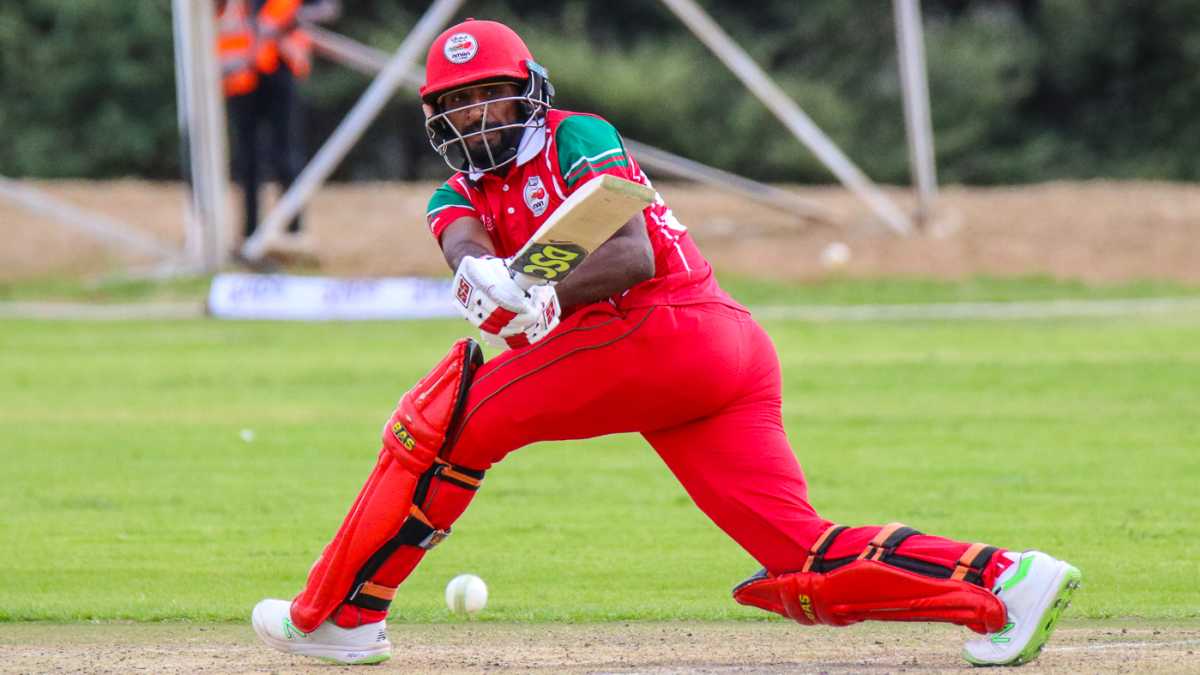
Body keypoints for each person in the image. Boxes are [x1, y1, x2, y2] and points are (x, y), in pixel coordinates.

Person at [251, 19, 1080, 667]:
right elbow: (464, 242)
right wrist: (485, 280)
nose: (475, 117)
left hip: (664, 326)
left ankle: (340, 614)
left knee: (443, 421)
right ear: (436, 117)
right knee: (802, 552)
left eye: (491, 97)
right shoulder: (449, 194)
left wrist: (535, 290)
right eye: (457, 104)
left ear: (528, 93)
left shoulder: (576, 136)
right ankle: (1004, 583)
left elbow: (629, 252)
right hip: (703, 358)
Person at [216, 0, 337, 257]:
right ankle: (249, 236)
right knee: (247, 160)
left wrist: (290, 20)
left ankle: (292, 234)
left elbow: (326, 8)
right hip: (241, 72)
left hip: (280, 66)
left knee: (286, 154)